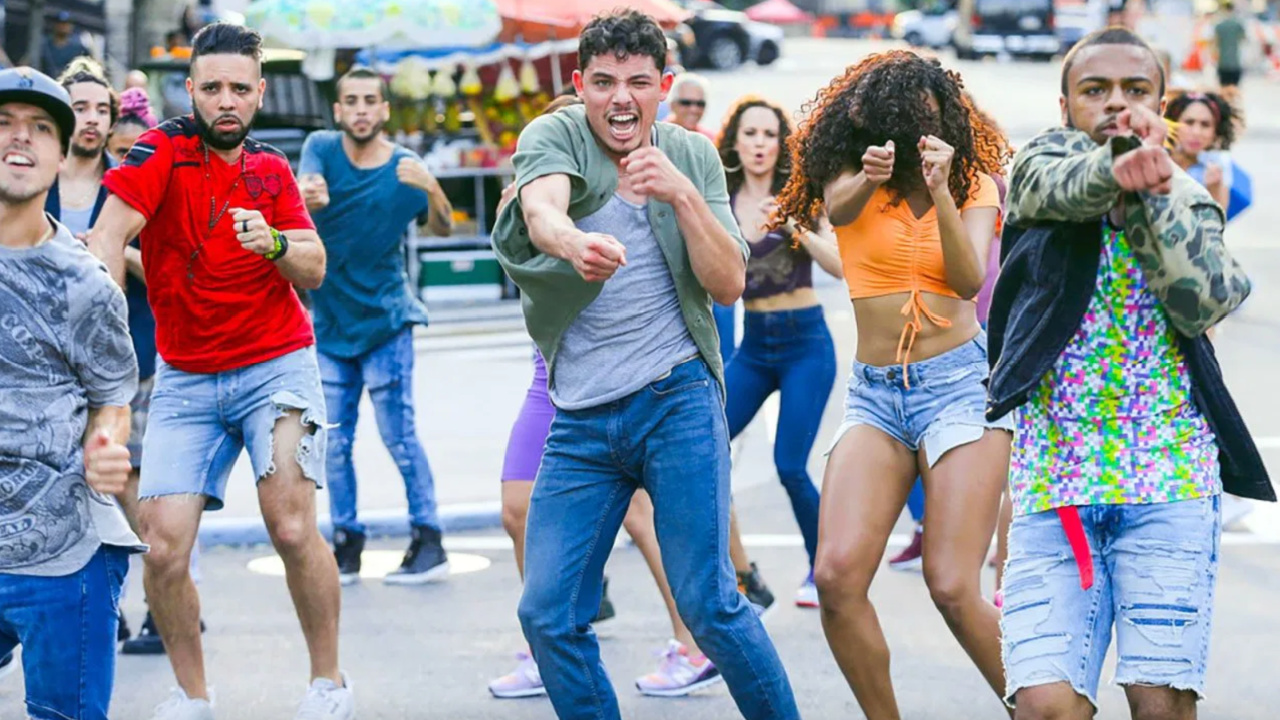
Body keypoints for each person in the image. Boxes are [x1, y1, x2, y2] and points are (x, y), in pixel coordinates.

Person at [491, 10, 799, 720]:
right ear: (580, 84)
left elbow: (728, 283)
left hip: (676, 398)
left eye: (637, 81)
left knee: (710, 604)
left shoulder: (690, 154)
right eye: (602, 82)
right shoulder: (556, 133)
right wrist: (572, 244)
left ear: (663, 85)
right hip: (581, 416)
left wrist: (683, 196)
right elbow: (541, 209)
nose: (619, 98)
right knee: (546, 614)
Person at [990, 27, 1272, 719]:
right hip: (1057, 482)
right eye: (1096, 91)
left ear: (1162, 103)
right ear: (1065, 107)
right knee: (1045, 705)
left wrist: (1150, 194)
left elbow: (1207, 298)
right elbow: (1050, 189)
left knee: (1160, 705)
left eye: (1136, 91)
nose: (1117, 104)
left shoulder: (1184, 192)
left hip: (1169, 478)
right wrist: (1114, 170)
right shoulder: (1039, 164)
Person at [87, 23, 353, 720]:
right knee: (164, 548)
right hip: (185, 378)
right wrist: (110, 368)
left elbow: (315, 267)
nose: (226, 101)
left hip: (277, 367)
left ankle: (328, 683)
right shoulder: (161, 150)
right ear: (191, 91)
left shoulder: (270, 170)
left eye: (240, 88)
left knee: (292, 527)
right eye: (213, 88)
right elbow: (109, 235)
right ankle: (193, 697)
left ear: (259, 93)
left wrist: (270, 242)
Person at [774, 50, 1014, 717]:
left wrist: (940, 190)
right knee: (836, 576)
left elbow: (968, 281)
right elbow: (838, 212)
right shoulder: (850, 175)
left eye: (924, 122)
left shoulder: (972, 184)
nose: (910, 137)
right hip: (876, 393)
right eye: (894, 124)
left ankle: (1042, 710)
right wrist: (868, 171)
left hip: (960, 387)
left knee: (951, 584)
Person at [490, 94, 726, 701]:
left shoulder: (655, 171)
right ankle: (551, 639)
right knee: (517, 508)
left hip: (633, 379)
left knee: (646, 521)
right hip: (550, 373)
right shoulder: (538, 180)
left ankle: (691, 641)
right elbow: (538, 224)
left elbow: (723, 280)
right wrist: (554, 228)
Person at [0, 64, 143, 720]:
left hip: (67, 553)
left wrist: (107, 443)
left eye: (38, 129)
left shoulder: (85, 283)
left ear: (63, 153)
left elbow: (113, 394)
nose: (18, 140)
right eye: (2, 125)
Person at [298, 67, 455, 585]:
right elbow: (305, 190)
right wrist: (306, 199)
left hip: (388, 321)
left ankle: (428, 539)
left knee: (399, 437)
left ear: (384, 110)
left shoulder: (405, 167)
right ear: (338, 110)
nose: (361, 109)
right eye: (351, 101)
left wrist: (432, 187)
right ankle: (347, 542)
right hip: (332, 324)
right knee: (333, 442)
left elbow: (444, 226)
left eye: (371, 101)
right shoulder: (321, 147)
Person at [714, 95, 843, 608]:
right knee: (703, 442)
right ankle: (737, 571)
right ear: (735, 141)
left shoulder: (802, 194)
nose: (760, 144)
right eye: (750, 134)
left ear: (780, 143)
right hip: (755, 345)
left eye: (769, 134)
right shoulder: (719, 198)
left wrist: (794, 226)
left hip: (806, 344)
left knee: (790, 464)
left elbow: (840, 266)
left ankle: (822, 568)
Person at [1164, 90, 1237, 210]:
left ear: (1215, 132)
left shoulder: (1218, 163)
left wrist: (1213, 190)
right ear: (1174, 124)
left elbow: (1218, 223)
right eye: (1189, 122)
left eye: (1205, 125)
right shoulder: (1159, 156)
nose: (1196, 132)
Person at [39, 11, 91, 79]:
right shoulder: (44, 46)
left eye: (66, 24)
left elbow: (91, 68)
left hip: (70, 85)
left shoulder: (78, 49)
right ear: (54, 25)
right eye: (60, 23)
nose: (63, 26)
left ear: (71, 26)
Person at [1213, 1, 1248, 90]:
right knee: (1234, 90)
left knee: (1223, 90)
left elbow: (1215, 43)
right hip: (1235, 63)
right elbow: (1244, 39)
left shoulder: (1219, 25)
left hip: (1223, 63)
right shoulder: (1238, 24)